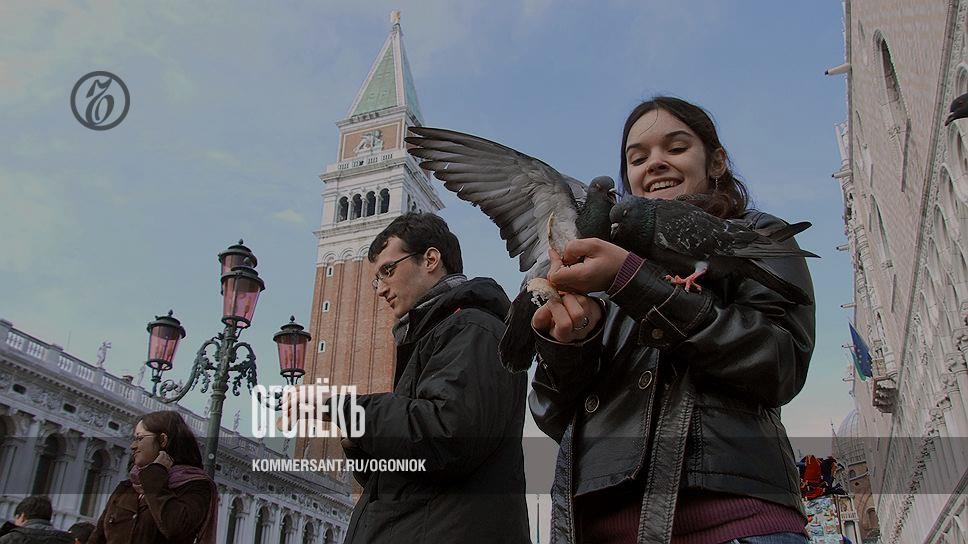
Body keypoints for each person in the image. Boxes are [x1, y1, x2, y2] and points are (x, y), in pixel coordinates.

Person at [530, 96, 815, 543]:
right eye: (637, 158)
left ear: (716, 161)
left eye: (676, 147)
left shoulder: (757, 232)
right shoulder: (600, 264)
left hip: (731, 524)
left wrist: (632, 281)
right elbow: (552, 416)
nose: (655, 163)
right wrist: (569, 345)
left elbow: (781, 365)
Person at [287, 212, 530, 543]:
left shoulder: (472, 328)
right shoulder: (435, 334)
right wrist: (359, 443)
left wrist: (346, 409)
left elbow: (447, 436)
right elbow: (406, 476)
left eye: (388, 270)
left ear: (430, 260)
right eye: (376, 279)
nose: (380, 289)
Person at [88, 411, 218, 544]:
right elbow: (98, 537)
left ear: (162, 440)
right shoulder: (126, 488)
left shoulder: (195, 486)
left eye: (140, 438)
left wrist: (156, 474)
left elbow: (175, 528)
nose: (133, 446)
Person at [0, 496, 72, 544]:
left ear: (22, 516)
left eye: (16, 519)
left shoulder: (11, 539)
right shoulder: (67, 540)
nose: (15, 523)